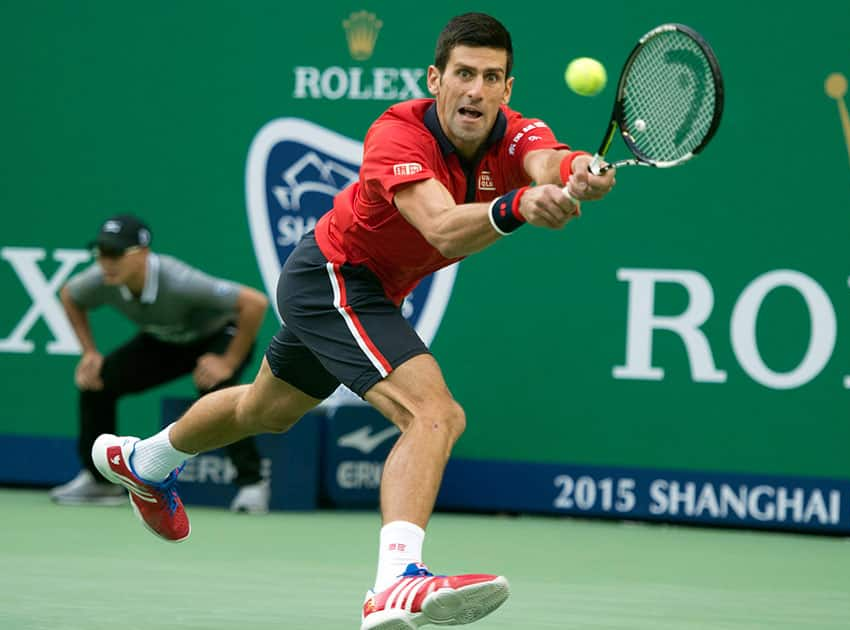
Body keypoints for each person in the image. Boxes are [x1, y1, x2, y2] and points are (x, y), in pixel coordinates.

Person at [91, 13, 615, 629]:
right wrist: (518, 205)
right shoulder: (397, 133)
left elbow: (547, 160)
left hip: (370, 291)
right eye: (463, 74)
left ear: (507, 88)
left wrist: (579, 169)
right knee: (435, 414)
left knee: (267, 411)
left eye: (491, 77)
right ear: (435, 78)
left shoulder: (517, 132)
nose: (475, 90)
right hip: (334, 280)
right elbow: (444, 225)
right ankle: (395, 581)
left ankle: (143, 462)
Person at [51, 213, 272, 513]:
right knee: (96, 380)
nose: (106, 262)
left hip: (218, 337)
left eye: (115, 253)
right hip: (165, 340)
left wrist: (228, 360)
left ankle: (252, 483)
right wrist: (90, 352)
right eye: (101, 253)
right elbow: (69, 296)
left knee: (216, 389)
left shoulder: (178, 281)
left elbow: (254, 303)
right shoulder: (99, 279)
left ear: (142, 254)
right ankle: (99, 480)